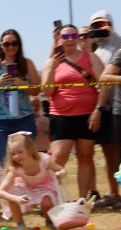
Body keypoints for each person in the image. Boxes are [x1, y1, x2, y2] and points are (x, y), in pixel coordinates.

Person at [42, 24, 105, 200]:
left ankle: (82, 199)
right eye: (65, 36)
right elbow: (46, 92)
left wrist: (98, 110)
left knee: (85, 157)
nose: (69, 40)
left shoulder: (91, 57)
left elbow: (104, 85)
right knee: (58, 158)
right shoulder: (51, 61)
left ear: (78, 38)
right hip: (61, 115)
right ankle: (50, 197)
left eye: (73, 36)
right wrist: (52, 67)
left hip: (87, 114)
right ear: (59, 39)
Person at [0, 29, 42, 165]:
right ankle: (11, 185)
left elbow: (36, 90)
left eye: (14, 43)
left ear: (19, 45)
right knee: (3, 160)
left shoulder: (27, 63)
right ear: (1, 46)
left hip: (24, 118)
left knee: (27, 159)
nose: (10, 47)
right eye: (6, 44)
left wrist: (21, 83)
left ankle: (26, 185)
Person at [88, 11, 121, 210]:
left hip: (119, 105)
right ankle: (114, 193)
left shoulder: (118, 45)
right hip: (102, 106)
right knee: (108, 153)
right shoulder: (96, 50)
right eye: (95, 25)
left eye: (103, 24)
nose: (99, 28)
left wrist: (113, 34)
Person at [0, 132, 65, 230]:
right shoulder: (16, 168)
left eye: (20, 152)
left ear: (29, 149)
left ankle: (49, 221)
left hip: (44, 187)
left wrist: (61, 173)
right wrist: (15, 198)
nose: (16, 156)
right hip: (26, 188)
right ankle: (20, 225)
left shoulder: (43, 160)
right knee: (11, 194)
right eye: (13, 154)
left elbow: (61, 169)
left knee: (46, 201)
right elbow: (0, 191)